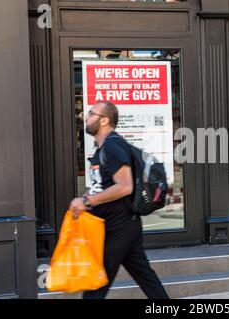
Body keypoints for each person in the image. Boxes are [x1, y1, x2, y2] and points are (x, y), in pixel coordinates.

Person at [68, 101, 170, 299]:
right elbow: (105, 184)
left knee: (97, 285)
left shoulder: (113, 145)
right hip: (123, 224)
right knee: (145, 277)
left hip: (118, 226)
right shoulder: (104, 147)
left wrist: (88, 202)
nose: (85, 117)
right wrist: (87, 198)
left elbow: (125, 186)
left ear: (104, 120)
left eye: (91, 114)